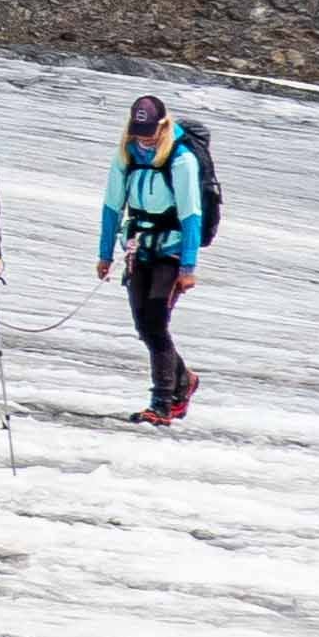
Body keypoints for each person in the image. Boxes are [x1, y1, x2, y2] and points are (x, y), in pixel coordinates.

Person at [96, 92, 225, 423]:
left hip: (171, 249)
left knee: (154, 320)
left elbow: (192, 215)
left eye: (151, 132)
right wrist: (105, 253)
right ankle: (184, 379)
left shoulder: (181, 159)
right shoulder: (127, 155)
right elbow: (112, 206)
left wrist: (188, 267)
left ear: (163, 125)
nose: (145, 139)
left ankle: (163, 403)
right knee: (144, 324)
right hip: (139, 246)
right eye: (140, 132)